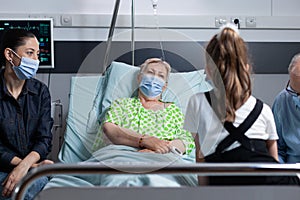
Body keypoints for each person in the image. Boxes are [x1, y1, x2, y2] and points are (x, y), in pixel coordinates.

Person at [184, 23, 299, 185]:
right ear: (246, 68)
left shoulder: (196, 102)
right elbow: (275, 164)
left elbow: (200, 158)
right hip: (267, 183)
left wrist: (205, 192)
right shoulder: (264, 110)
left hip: (222, 181)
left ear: (208, 70)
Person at [100, 58, 195, 155]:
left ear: (164, 87)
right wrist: (144, 140)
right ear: (139, 78)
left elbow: (187, 140)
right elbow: (109, 129)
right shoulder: (122, 104)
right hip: (122, 156)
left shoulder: (172, 110)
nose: (154, 78)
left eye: (160, 76)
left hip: (162, 158)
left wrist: (160, 149)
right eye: (150, 72)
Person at [0, 29, 54, 200]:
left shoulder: (40, 92)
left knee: (31, 188)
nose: (36, 60)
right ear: (10, 54)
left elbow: (44, 140)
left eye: (37, 54)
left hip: (33, 167)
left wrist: (26, 166)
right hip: (10, 167)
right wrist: (25, 166)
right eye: (30, 53)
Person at [272, 53, 300, 163]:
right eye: (293, 91)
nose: (296, 97)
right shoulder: (282, 101)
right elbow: (278, 149)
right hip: (292, 173)